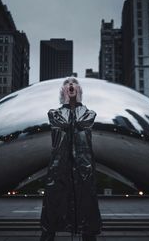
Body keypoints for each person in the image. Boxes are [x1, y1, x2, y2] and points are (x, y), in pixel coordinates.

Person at [40, 77, 102, 241]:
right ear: (63, 90)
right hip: (59, 170)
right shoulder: (54, 113)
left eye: (74, 83)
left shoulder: (89, 113)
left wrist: (78, 102)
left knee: (87, 216)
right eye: (67, 83)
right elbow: (66, 123)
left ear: (80, 90)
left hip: (84, 171)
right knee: (51, 214)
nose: (71, 85)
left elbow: (81, 122)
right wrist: (67, 102)